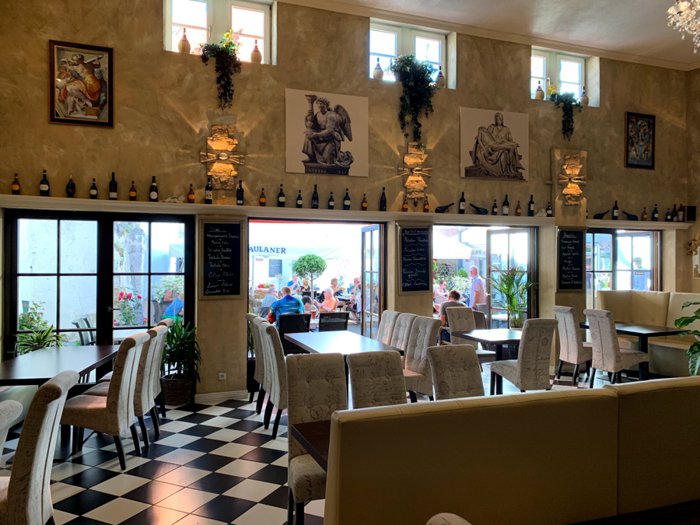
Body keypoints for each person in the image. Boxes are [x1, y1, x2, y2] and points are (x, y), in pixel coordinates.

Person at [302, 96, 353, 167]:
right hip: (321, 138)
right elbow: (312, 126)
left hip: (331, 140)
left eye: (321, 103)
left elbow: (329, 131)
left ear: (326, 104)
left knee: (328, 161)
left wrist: (316, 134)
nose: (319, 105)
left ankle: (344, 156)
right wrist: (308, 125)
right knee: (308, 136)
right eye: (318, 103)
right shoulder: (317, 115)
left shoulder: (332, 115)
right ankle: (312, 157)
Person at [471, 112, 524, 178]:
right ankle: (512, 168)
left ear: (502, 119)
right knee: (509, 149)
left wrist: (511, 142)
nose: (498, 120)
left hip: (502, 143)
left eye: (499, 119)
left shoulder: (506, 129)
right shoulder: (491, 127)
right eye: (496, 119)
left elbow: (510, 140)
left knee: (513, 145)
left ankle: (514, 166)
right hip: (494, 146)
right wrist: (483, 147)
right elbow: (483, 138)